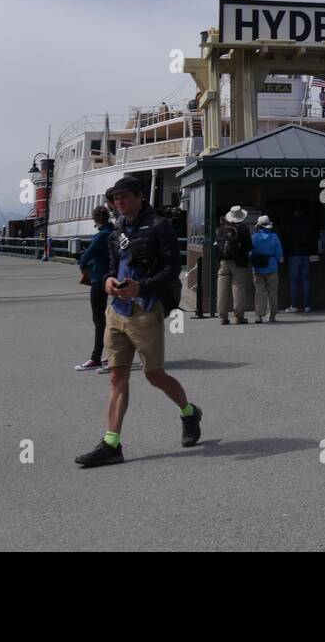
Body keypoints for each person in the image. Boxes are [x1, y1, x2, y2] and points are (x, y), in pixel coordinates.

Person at [74, 175, 201, 468]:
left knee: (154, 375)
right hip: (116, 309)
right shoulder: (116, 229)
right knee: (118, 376)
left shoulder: (160, 226)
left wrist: (140, 288)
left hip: (145, 308)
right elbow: (109, 263)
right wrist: (107, 280)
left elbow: (172, 270)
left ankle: (189, 411)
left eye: (124, 196)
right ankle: (111, 443)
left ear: (139, 196)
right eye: (115, 198)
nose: (118, 201)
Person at [74, 206, 115, 371]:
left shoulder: (101, 236)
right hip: (113, 278)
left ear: (95, 219)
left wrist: (84, 266)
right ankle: (112, 354)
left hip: (99, 280)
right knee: (115, 318)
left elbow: (85, 256)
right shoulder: (114, 232)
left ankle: (96, 357)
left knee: (99, 320)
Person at [214, 205, 254, 325]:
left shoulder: (222, 228)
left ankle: (223, 317)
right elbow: (249, 246)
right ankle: (239, 316)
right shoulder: (243, 228)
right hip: (239, 263)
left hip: (223, 262)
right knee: (238, 288)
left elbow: (216, 245)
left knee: (222, 289)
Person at [251, 214, 284, 322]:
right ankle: (272, 315)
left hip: (258, 267)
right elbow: (279, 253)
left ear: (259, 226)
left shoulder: (254, 238)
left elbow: (250, 253)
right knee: (273, 292)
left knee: (260, 291)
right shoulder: (274, 237)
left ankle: (259, 315)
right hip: (272, 266)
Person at [285, 206, 316, 313]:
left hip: (293, 255)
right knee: (306, 280)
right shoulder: (307, 225)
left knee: (294, 281)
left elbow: (286, 239)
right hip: (305, 255)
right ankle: (307, 306)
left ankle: (294, 305)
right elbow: (312, 238)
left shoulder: (290, 225)